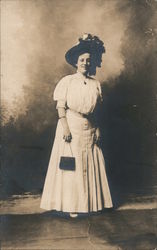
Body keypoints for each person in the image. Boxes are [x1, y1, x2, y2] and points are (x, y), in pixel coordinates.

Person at [40, 33, 113, 217]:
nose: (85, 63)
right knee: (71, 166)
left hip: (89, 126)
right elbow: (60, 106)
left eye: (88, 60)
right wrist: (65, 128)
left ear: (92, 62)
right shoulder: (67, 81)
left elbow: (96, 111)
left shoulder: (96, 84)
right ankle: (72, 205)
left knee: (89, 162)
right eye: (82, 60)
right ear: (76, 61)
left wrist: (97, 128)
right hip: (71, 124)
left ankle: (89, 204)